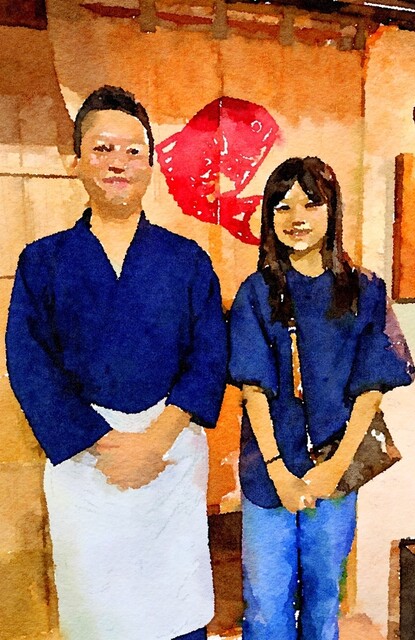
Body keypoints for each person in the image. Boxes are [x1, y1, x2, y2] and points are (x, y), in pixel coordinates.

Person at [6, 86, 227, 640]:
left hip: (169, 453)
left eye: (133, 151)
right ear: (76, 161)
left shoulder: (187, 260)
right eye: (103, 148)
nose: (118, 162)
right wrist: (108, 446)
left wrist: (154, 442)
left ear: (151, 165)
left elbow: (209, 356)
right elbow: (29, 363)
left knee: (175, 602)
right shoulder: (42, 261)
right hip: (86, 459)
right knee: (100, 611)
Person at [228, 157, 415, 640]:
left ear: (332, 211)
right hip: (268, 473)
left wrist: (334, 469)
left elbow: (371, 390)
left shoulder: (365, 290)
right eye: (283, 206)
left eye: (311, 203)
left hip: (334, 467)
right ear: (269, 216)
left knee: (323, 598)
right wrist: (278, 472)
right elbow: (253, 390)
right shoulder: (256, 292)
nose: (297, 217)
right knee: (265, 604)